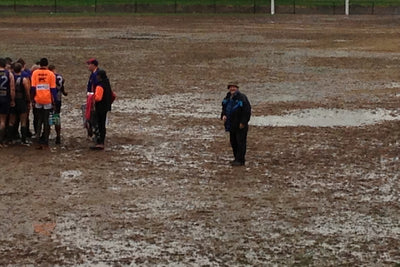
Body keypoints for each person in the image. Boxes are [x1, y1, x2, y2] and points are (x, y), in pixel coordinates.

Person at [221, 82, 251, 166]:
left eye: (234, 87)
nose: (232, 89)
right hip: (231, 124)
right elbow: (224, 107)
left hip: (240, 125)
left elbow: (247, 111)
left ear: (237, 88)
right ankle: (236, 158)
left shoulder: (242, 98)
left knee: (240, 142)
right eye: (230, 87)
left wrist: (243, 122)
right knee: (233, 142)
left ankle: (240, 160)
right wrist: (223, 115)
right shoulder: (227, 97)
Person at [30, 58, 56, 149]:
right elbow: (53, 89)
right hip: (47, 99)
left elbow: (33, 88)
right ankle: (45, 140)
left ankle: (37, 138)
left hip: (38, 99)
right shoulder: (51, 74)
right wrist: (54, 100)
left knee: (39, 119)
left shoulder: (35, 73)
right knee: (47, 120)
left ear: (40, 64)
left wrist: (32, 98)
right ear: (47, 65)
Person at [90, 69, 113, 150]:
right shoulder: (107, 83)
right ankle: (102, 141)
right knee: (102, 124)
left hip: (100, 107)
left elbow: (98, 98)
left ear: (99, 76)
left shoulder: (100, 86)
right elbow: (113, 95)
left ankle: (100, 142)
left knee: (99, 124)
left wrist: (92, 97)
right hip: (106, 107)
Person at [10, 62, 31, 144]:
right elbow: (27, 92)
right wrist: (28, 101)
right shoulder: (23, 79)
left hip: (13, 100)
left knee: (12, 121)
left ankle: (10, 139)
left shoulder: (11, 77)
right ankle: (23, 140)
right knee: (23, 121)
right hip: (22, 101)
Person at [48, 64, 67, 144]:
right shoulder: (60, 77)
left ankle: (46, 134)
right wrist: (64, 93)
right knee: (56, 117)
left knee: (48, 117)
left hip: (50, 99)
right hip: (58, 99)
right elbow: (62, 88)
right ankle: (58, 136)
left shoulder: (49, 76)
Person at [0, 58, 15, 146]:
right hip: (5, 98)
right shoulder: (9, 74)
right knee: (2, 120)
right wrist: (12, 100)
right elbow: (12, 89)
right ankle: (1, 141)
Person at [85, 58, 100, 139]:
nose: (88, 66)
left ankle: (96, 133)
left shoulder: (97, 74)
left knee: (94, 116)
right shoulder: (92, 74)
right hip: (91, 97)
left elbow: (96, 88)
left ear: (94, 65)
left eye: (89, 64)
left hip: (95, 99)